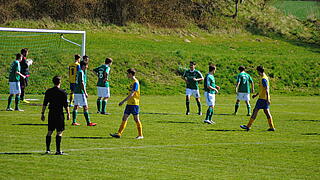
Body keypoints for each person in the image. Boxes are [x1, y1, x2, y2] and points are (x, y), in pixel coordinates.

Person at [110, 68, 143, 139]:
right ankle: (119, 133)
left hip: (134, 104)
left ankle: (140, 135)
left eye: (127, 74)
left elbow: (132, 94)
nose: (127, 75)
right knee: (124, 118)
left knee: (136, 119)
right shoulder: (132, 82)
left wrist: (123, 101)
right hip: (129, 104)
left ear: (131, 74)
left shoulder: (135, 82)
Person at [41, 76, 70, 155]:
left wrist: (42, 113)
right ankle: (58, 150)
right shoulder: (63, 92)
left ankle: (48, 150)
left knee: (50, 131)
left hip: (51, 113)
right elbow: (65, 104)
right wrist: (68, 113)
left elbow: (45, 103)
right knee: (59, 132)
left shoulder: (49, 91)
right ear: (60, 82)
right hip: (59, 113)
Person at [240, 66, 275, 131]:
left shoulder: (263, 79)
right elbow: (262, 89)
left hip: (262, 98)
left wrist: (268, 99)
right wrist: (256, 95)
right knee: (266, 112)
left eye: (257, 71)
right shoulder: (264, 77)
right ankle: (271, 127)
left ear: (259, 71)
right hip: (263, 97)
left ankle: (248, 126)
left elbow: (266, 89)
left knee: (255, 111)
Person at [71, 61, 97, 126]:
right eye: (86, 66)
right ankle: (88, 122)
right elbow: (82, 82)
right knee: (85, 107)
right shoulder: (81, 72)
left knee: (76, 106)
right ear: (83, 66)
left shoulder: (78, 72)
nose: (87, 67)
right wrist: (85, 92)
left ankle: (74, 121)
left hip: (76, 91)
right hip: (80, 92)